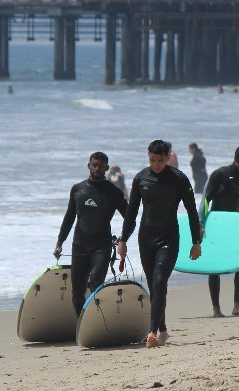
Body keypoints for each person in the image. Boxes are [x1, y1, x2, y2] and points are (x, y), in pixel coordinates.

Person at [118, 140, 201, 348]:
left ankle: (152, 332)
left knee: (159, 281)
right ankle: (163, 330)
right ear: (148, 156)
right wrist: (123, 239)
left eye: (160, 161)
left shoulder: (179, 179)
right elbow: (131, 213)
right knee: (155, 287)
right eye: (152, 160)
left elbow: (192, 212)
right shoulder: (141, 178)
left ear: (168, 157)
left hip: (169, 238)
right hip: (146, 238)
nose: (156, 164)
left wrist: (196, 242)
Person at [53, 152, 128, 316]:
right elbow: (69, 218)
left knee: (95, 282)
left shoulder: (113, 192)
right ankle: (82, 324)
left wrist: (123, 239)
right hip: (79, 245)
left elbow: (129, 217)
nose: (97, 168)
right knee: (77, 292)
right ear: (89, 165)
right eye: (94, 165)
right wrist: (60, 242)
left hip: (102, 246)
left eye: (101, 166)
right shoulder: (78, 189)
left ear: (106, 168)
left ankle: (96, 319)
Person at [201, 145, 239, 317]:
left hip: (235, 227)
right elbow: (205, 200)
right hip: (217, 226)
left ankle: (236, 306)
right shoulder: (220, 174)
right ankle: (216, 309)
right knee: (215, 267)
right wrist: (201, 223)